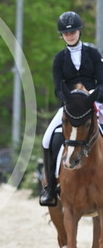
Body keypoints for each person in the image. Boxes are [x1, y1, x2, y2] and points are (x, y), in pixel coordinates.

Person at [39, 11, 103, 206]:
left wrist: (90, 94)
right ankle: (51, 188)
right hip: (70, 107)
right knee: (47, 139)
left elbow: (101, 83)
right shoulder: (59, 59)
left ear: (79, 31)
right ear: (62, 36)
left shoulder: (93, 54)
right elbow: (58, 88)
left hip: (93, 103)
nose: (70, 35)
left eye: (73, 32)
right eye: (66, 33)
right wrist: (71, 99)